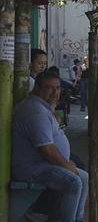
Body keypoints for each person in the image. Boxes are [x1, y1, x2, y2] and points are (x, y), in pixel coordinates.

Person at [12, 71, 89, 222]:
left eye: (58, 88)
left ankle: (77, 218)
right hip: (31, 167)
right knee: (73, 182)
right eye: (49, 88)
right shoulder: (35, 111)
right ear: (37, 88)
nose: (55, 93)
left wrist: (67, 163)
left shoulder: (43, 107)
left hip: (42, 163)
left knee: (84, 177)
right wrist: (66, 165)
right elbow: (46, 149)